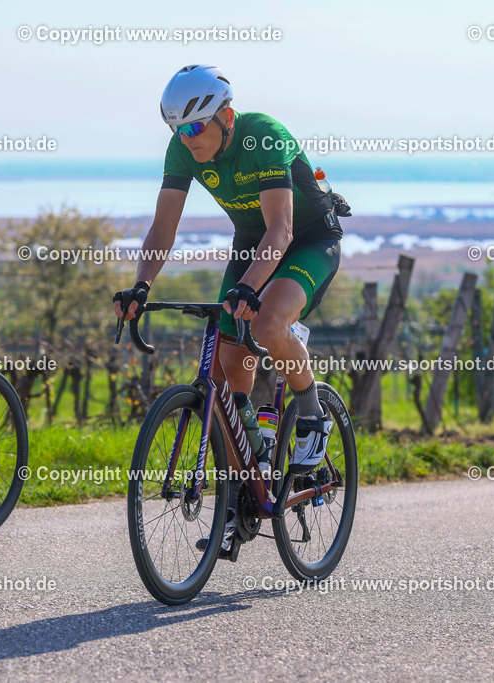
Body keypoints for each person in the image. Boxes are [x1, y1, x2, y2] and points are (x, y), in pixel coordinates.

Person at [113, 65, 348, 558]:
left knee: (265, 322)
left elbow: (281, 230)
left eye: (195, 127)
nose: (186, 137)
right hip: (251, 243)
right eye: (177, 128)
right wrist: (140, 285)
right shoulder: (182, 148)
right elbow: (163, 228)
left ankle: (311, 414)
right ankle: (242, 495)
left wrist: (246, 288)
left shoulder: (263, 136)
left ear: (226, 115)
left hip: (305, 241)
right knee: (226, 376)